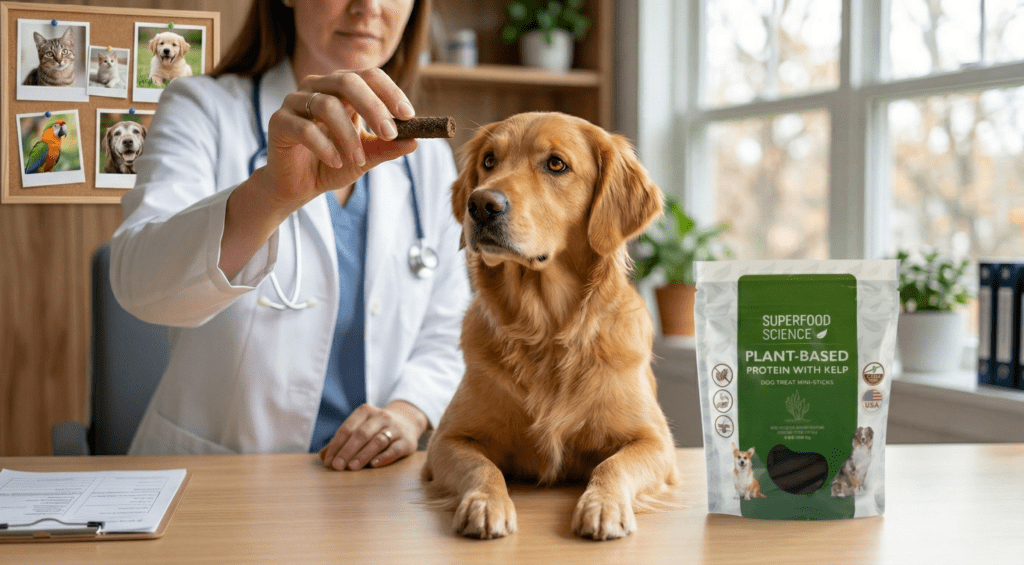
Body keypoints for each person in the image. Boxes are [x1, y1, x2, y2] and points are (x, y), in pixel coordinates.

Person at [110, 0, 469, 472]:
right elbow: (140, 285)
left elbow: (449, 329)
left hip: (366, 488)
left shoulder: (423, 160)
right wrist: (270, 196)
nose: (369, 7)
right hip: (220, 484)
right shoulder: (202, 108)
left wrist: (406, 412)